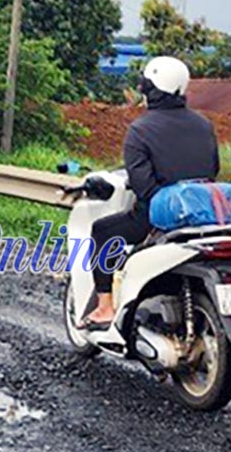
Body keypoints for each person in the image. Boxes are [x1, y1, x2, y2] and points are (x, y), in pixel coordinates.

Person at [86, 56, 220, 328]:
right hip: (201, 213)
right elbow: (213, 169)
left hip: (158, 217)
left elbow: (144, 186)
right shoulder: (204, 125)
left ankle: (104, 307)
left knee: (102, 231)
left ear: (150, 89)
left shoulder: (141, 129)